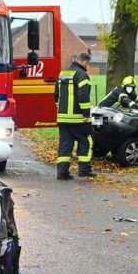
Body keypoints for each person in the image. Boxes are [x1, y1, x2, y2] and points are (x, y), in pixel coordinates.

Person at [54, 52, 96, 180]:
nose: (88, 66)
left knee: (65, 144)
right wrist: (85, 113)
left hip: (62, 117)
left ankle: (62, 172)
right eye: (88, 64)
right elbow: (83, 96)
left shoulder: (62, 74)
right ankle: (84, 169)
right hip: (78, 118)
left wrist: (60, 108)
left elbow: (56, 94)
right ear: (85, 62)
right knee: (86, 140)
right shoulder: (82, 75)